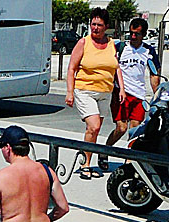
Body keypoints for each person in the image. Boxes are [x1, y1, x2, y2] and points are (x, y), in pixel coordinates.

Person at [65, 8, 125, 180]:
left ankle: (87, 158)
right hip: (85, 91)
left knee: (94, 131)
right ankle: (85, 165)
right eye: (93, 24)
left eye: (99, 25)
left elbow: (116, 67)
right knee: (94, 126)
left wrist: (121, 88)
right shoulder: (84, 43)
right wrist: (70, 92)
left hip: (105, 92)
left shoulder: (112, 43)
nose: (95, 28)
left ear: (106, 26)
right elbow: (71, 68)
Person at [98, 17, 161, 170]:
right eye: (131, 33)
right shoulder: (120, 47)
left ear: (144, 34)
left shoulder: (148, 51)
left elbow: (154, 74)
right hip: (121, 94)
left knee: (134, 130)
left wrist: (156, 95)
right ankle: (104, 151)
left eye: (137, 34)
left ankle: (129, 162)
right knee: (121, 128)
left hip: (139, 96)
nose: (133, 37)